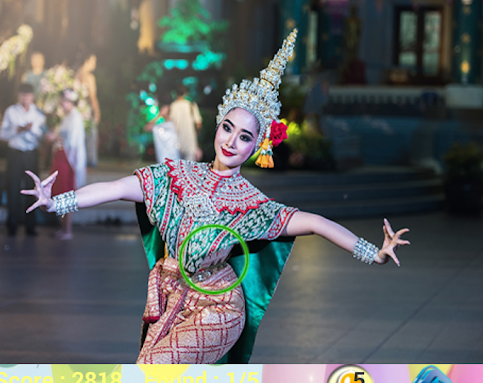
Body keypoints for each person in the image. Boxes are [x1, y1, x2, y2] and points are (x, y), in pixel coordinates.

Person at [23, 30, 410, 364]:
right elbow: (116, 188)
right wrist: (59, 202)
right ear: (217, 125)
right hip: (172, 297)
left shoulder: (251, 204)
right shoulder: (176, 176)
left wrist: (373, 253)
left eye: (245, 137)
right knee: (147, 377)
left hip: (219, 308)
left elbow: (315, 223)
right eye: (228, 128)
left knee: (155, 371)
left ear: (256, 147)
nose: (231, 141)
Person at [0, 83, 45, 236]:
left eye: (28, 97)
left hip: (31, 154)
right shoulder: (11, 111)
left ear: (33, 97)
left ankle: (30, 225)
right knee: (13, 188)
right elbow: (2, 135)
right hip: (15, 153)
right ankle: (12, 225)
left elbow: (44, 135)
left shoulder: (38, 113)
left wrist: (33, 129)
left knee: (33, 189)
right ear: (19, 96)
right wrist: (15, 130)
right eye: (23, 96)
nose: (26, 99)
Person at [47, 89, 87, 240]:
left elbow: (72, 141)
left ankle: (67, 229)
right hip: (61, 156)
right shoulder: (67, 117)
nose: (63, 104)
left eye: (65, 101)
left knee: (66, 191)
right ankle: (63, 227)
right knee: (60, 191)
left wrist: (55, 138)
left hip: (68, 159)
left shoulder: (75, 118)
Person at [75, 54, 100, 166]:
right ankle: (90, 162)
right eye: (93, 61)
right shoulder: (90, 77)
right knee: (90, 136)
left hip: (77, 110)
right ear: (86, 61)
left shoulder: (76, 75)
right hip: (86, 110)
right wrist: (97, 112)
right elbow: (92, 96)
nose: (95, 65)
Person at [169, 84, 202, 161]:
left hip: (175, 143)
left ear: (175, 93)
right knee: (189, 166)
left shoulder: (172, 106)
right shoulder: (191, 105)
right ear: (186, 93)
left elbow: (170, 124)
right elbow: (198, 124)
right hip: (190, 143)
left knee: (176, 167)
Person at [145, 95, 180, 163]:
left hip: (173, 160)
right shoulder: (162, 126)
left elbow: (147, 127)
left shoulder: (172, 125)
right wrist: (160, 115)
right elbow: (147, 128)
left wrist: (159, 115)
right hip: (166, 161)